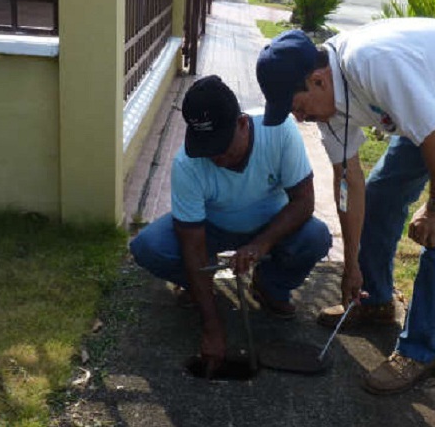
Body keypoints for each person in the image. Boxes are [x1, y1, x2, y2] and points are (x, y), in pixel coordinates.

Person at [256, 18, 435, 394]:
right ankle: (375, 300)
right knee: (379, 196)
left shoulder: (374, 63)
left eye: (298, 107)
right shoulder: (327, 102)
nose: (299, 118)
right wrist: (351, 266)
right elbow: (348, 187)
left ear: (318, 80)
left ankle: (418, 350)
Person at [130, 75, 332, 375]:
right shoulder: (186, 164)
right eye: (207, 149)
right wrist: (211, 326)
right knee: (149, 247)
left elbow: (303, 201)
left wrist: (260, 244)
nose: (216, 158)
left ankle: (270, 286)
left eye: (222, 147)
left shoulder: (279, 130)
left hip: (269, 224)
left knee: (316, 237)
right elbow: (192, 241)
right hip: (211, 228)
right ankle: (198, 288)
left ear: (241, 123)